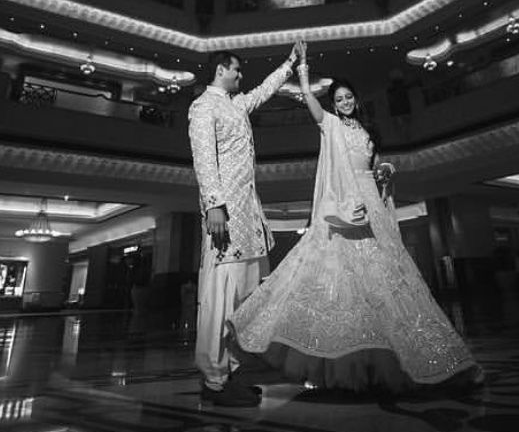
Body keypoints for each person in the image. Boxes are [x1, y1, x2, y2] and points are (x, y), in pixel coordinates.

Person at [230, 43, 482, 392]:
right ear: (334, 104)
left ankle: (409, 354)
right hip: (347, 208)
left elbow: (373, 166)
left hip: (372, 206)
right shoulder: (331, 124)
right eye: (340, 99)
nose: (345, 102)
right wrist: (303, 67)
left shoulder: (366, 131)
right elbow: (310, 101)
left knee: (389, 280)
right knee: (343, 277)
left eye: (349, 97)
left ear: (356, 100)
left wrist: (385, 170)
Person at [189, 43, 301, 407]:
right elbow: (204, 158)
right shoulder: (203, 106)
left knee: (242, 301)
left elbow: (264, 91)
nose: (241, 75)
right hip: (224, 219)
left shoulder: (236, 104)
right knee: (220, 298)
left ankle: (232, 373)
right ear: (220, 70)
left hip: (248, 216)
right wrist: (213, 205)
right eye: (236, 69)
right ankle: (214, 380)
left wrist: (290, 64)